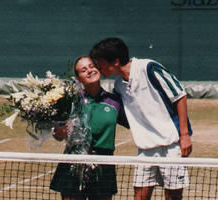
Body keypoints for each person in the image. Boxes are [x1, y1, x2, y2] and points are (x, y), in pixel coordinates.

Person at [89, 37, 193, 200]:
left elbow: (180, 96)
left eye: (100, 62)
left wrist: (185, 135)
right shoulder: (118, 86)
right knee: (139, 196)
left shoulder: (148, 68)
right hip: (145, 150)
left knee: (172, 197)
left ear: (115, 61)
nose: (97, 67)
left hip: (171, 146)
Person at [50, 56, 129, 200]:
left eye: (92, 66)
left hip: (104, 164)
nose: (89, 71)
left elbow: (135, 123)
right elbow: (57, 133)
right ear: (78, 78)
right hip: (73, 163)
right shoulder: (71, 101)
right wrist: (60, 132)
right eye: (83, 70)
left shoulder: (115, 102)